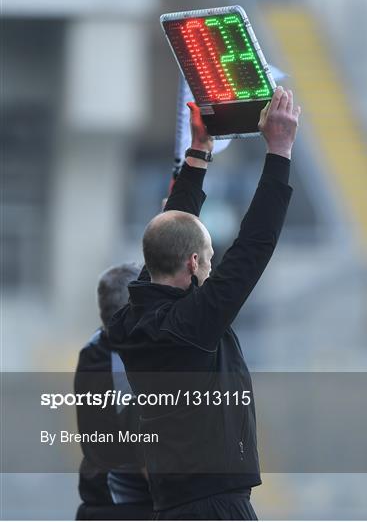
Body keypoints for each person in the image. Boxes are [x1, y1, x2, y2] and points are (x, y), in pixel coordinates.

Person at [109, 86, 301, 520]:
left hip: (173, 504)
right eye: (210, 257)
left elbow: (170, 235)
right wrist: (280, 151)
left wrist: (198, 153)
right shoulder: (191, 326)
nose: (214, 266)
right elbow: (254, 245)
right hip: (215, 508)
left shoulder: (132, 318)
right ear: (194, 264)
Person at [74, 263, 153, 520]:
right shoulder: (121, 363)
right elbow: (148, 459)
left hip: (103, 504)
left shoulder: (94, 348)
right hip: (126, 509)